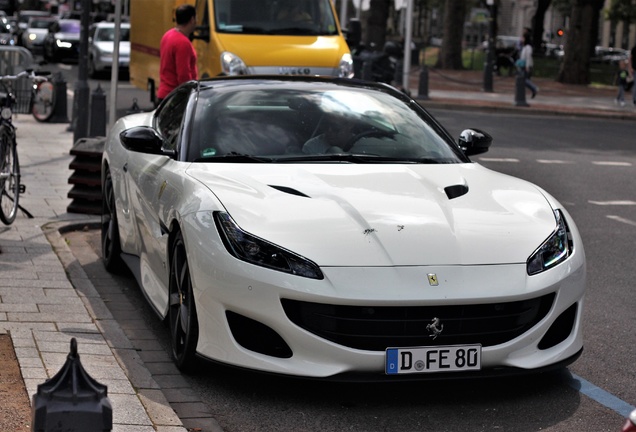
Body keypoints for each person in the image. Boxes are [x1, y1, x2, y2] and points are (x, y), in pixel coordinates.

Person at [156, 4, 198, 104]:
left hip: (165, 94)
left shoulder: (168, 35)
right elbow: (184, 75)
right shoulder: (183, 43)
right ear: (192, 19)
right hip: (176, 98)